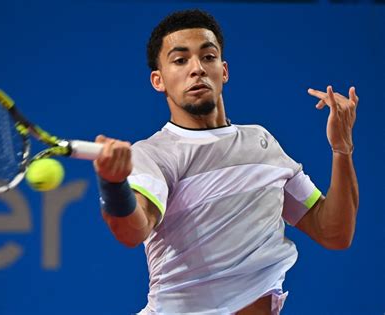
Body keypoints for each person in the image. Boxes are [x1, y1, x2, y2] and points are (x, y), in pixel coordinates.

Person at [93, 9, 359, 315]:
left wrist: (342, 149)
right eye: (180, 60)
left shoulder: (262, 143)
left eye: (208, 57)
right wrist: (113, 185)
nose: (197, 69)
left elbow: (334, 232)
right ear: (158, 80)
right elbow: (132, 231)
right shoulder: (154, 154)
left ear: (224, 70)